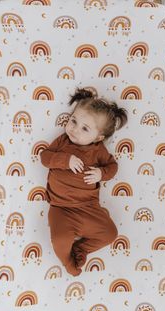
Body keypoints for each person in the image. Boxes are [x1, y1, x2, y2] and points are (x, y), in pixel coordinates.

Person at [41, 87, 128, 276]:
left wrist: (101, 174)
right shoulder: (63, 142)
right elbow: (45, 157)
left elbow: (112, 167)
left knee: (110, 234)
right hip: (60, 207)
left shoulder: (98, 151)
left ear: (98, 137)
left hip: (88, 208)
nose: (74, 129)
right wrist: (65, 160)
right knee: (59, 240)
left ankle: (80, 250)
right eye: (73, 121)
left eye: (84, 128)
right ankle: (67, 261)